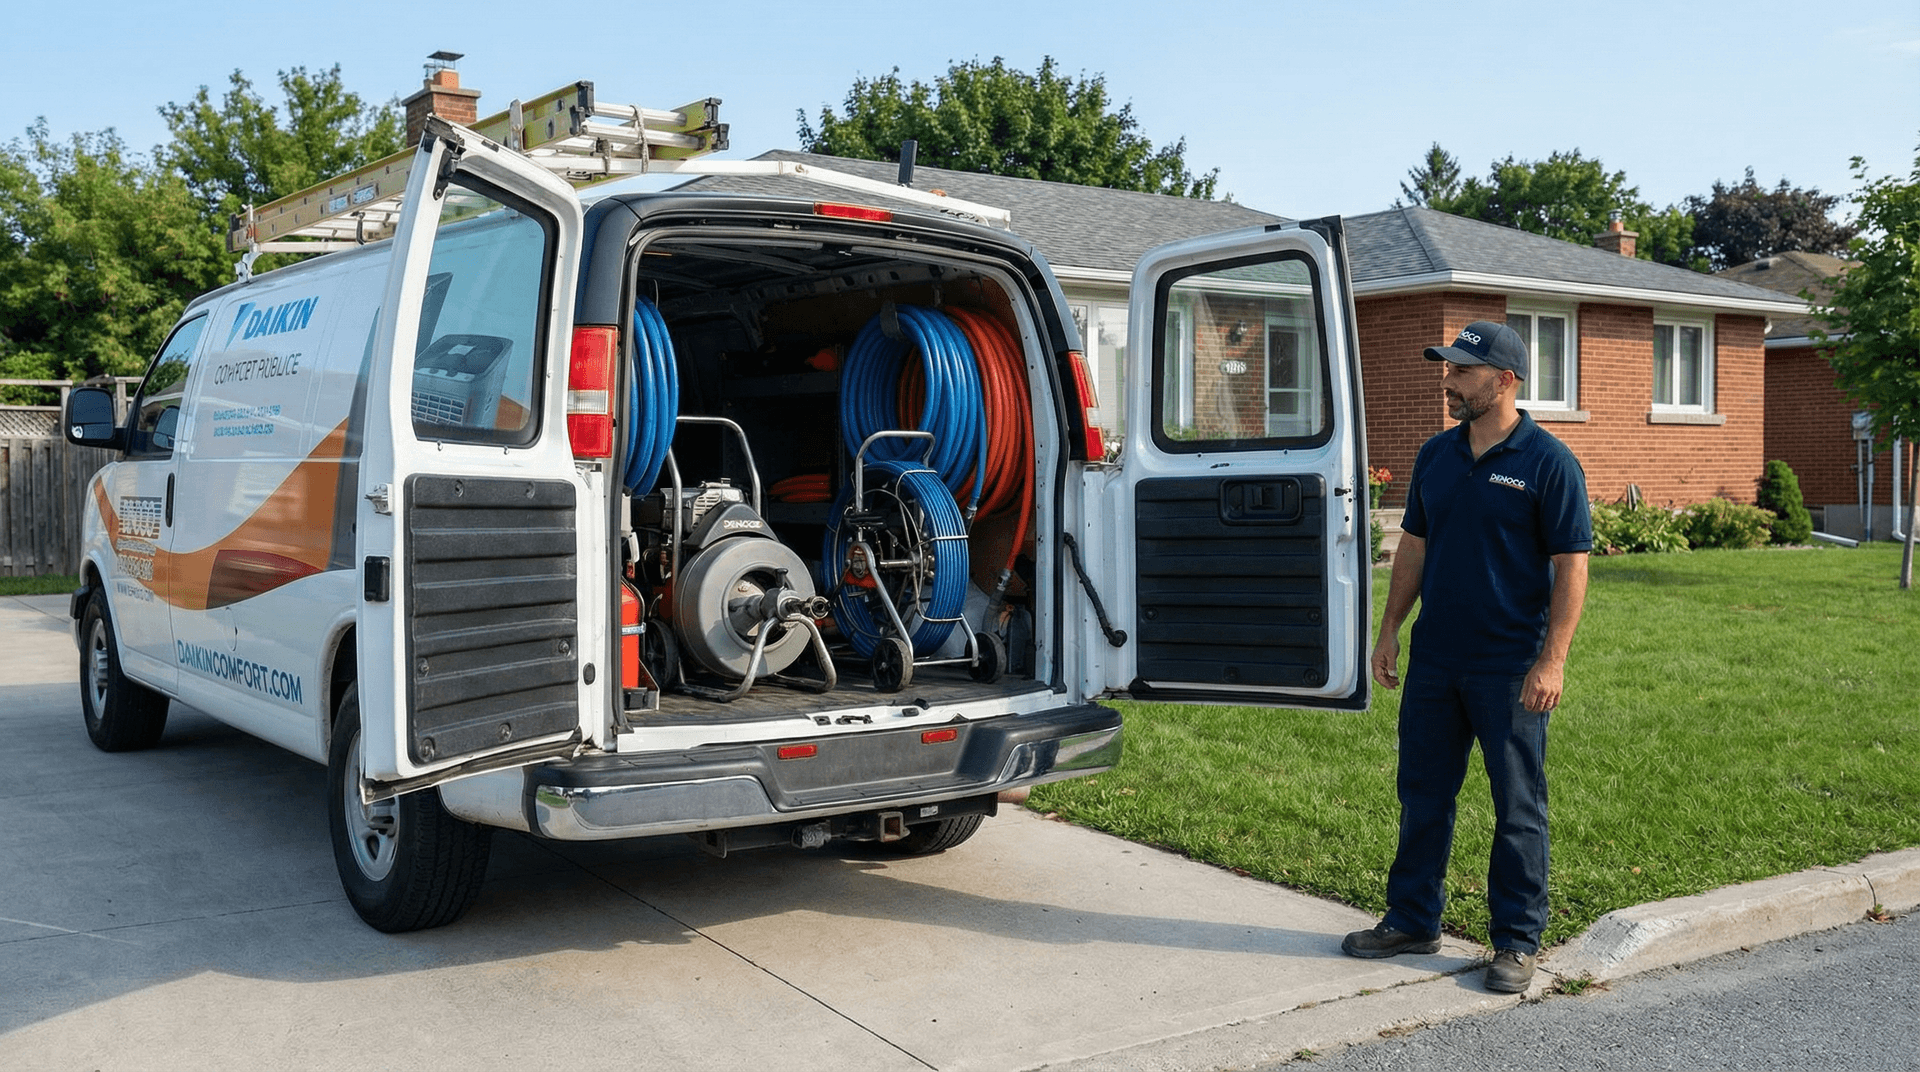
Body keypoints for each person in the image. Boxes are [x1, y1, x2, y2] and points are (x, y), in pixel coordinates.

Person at [1342, 320, 1592, 994]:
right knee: (1423, 793)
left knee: (1517, 806)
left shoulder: (1548, 462)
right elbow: (1414, 546)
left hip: (1509, 667)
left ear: (1504, 380)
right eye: (1447, 368)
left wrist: (1553, 660)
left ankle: (1515, 940)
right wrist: (1391, 627)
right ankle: (1413, 918)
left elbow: (1572, 567)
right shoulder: (1436, 455)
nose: (1446, 380)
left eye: (1460, 371)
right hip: (1436, 661)